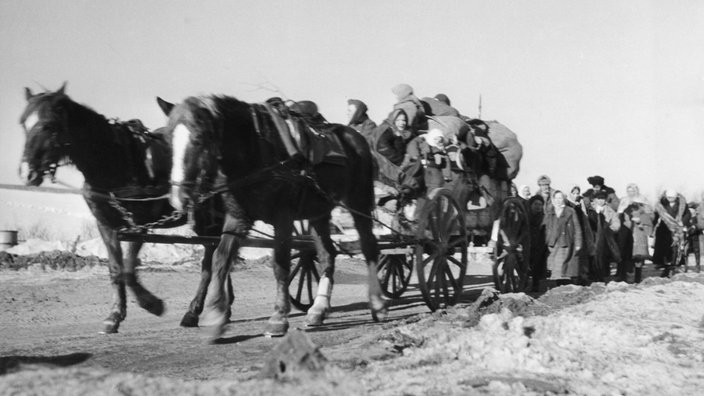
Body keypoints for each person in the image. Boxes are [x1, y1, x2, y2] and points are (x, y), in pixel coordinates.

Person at [616, 183, 654, 282]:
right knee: (625, 253)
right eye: (628, 191)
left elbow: (650, 215)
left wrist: (641, 221)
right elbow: (618, 215)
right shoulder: (624, 200)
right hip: (627, 230)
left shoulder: (643, 200)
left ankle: (638, 277)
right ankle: (623, 276)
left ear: (636, 190)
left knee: (639, 255)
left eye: (632, 191)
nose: (630, 193)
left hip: (639, 231)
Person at [543, 190, 582, 284]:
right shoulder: (549, 212)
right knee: (554, 265)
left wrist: (578, 243)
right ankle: (556, 285)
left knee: (566, 265)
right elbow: (544, 226)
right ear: (553, 199)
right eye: (556, 198)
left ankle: (566, 284)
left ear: (563, 199)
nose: (558, 200)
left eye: (560, 198)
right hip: (553, 242)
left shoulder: (570, 211)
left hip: (565, 241)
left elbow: (577, 227)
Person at [653, 188, 691, 276]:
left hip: (677, 229)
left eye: (672, 197)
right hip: (664, 229)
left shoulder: (682, 205)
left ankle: (673, 267)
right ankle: (665, 267)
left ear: (676, 197)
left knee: (675, 248)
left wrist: (683, 221)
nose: (670, 199)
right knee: (664, 249)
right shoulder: (661, 205)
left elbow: (688, 214)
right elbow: (656, 216)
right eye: (668, 197)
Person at [587, 190, 621, 282]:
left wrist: (609, 230)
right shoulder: (590, 209)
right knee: (593, 257)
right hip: (593, 236)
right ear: (594, 199)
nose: (601, 200)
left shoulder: (610, 210)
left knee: (604, 257)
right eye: (599, 198)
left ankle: (603, 277)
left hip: (606, 238)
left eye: (603, 198)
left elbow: (616, 223)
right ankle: (594, 276)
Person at [566, 184, 595, 285]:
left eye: (577, 193)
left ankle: (583, 276)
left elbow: (585, 217)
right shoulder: (567, 203)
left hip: (582, 232)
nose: (576, 195)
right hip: (572, 232)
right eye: (573, 193)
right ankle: (573, 277)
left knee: (583, 255)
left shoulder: (581, 203)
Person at [528, 195, 548, 291]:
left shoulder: (543, 217)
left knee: (536, 264)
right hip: (527, 242)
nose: (538, 206)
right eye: (536, 204)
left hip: (539, 244)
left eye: (540, 204)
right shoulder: (526, 216)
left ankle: (535, 285)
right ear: (531, 204)